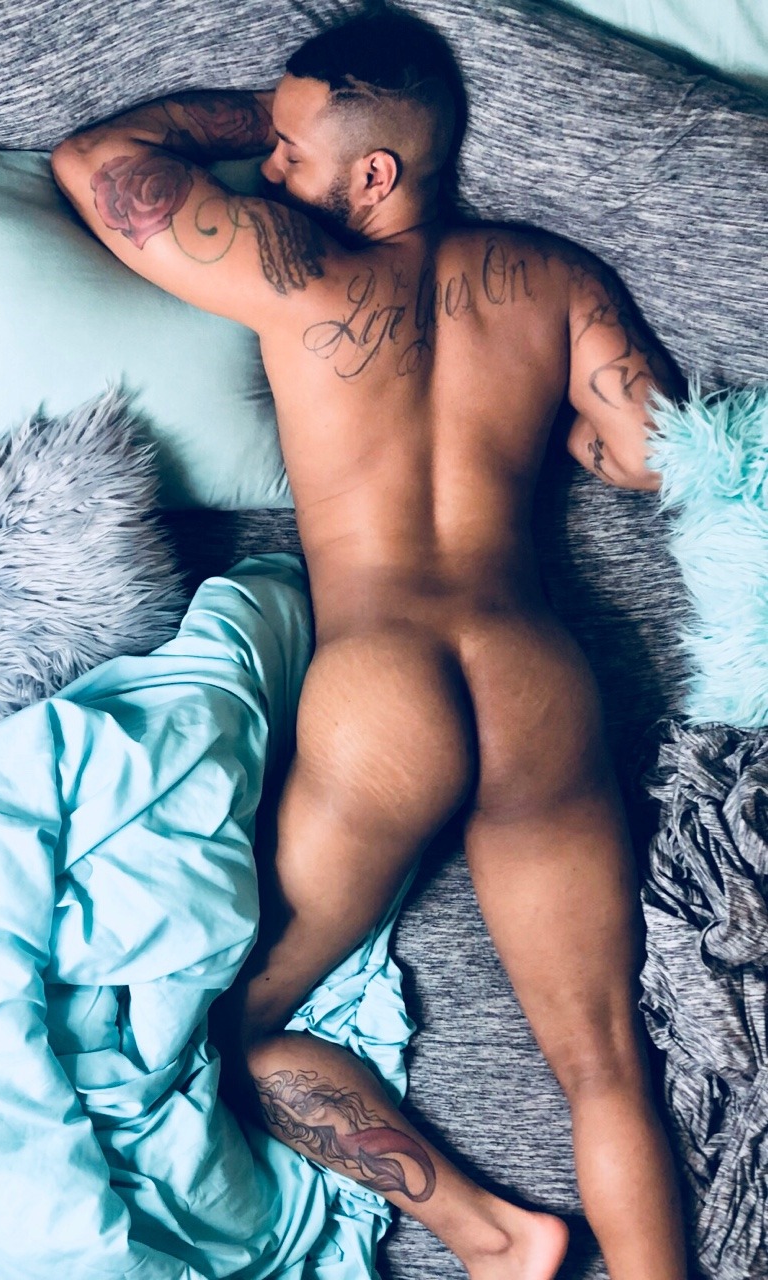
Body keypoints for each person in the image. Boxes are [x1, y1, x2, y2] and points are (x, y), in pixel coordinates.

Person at [52, 8, 688, 1277]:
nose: (269, 168)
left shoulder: (299, 274)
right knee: (606, 1061)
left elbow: (96, 163)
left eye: (291, 152)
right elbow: (655, 454)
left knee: (226, 1031)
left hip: (382, 682)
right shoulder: (553, 279)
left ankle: (491, 1233)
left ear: (375, 173)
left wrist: (252, 112)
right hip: (533, 670)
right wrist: (579, 435)